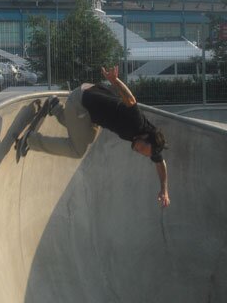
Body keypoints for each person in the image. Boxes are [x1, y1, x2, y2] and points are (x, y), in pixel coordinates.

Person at [25, 65, 170, 208]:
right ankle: (31, 141)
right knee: (77, 150)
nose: (138, 149)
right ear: (145, 137)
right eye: (141, 147)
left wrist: (164, 189)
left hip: (89, 102)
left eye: (141, 153)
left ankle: (55, 107)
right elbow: (131, 100)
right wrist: (115, 81)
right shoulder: (137, 123)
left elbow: (160, 163)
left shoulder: (152, 141)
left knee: (86, 138)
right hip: (80, 101)